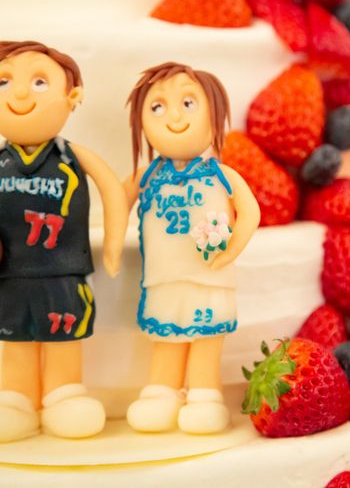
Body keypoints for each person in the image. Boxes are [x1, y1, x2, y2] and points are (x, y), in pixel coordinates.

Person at [0, 41, 127, 441]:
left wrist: (112, 246)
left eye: (39, 81)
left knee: (63, 339)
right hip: (10, 274)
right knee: (16, 342)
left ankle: (63, 395)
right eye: (4, 81)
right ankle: (16, 400)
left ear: (73, 97)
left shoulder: (72, 156)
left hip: (63, 271)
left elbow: (112, 190)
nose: (21, 93)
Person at [124, 62, 260, 434]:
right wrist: (113, 236)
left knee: (204, 341)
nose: (174, 116)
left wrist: (231, 250)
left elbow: (250, 212)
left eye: (188, 103)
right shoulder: (149, 176)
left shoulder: (220, 175)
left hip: (209, 278)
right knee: (167, 337)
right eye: (158, 106)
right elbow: (118, 197)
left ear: (216, 115)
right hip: (164, 278)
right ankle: (161, 393)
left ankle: (205, 395)